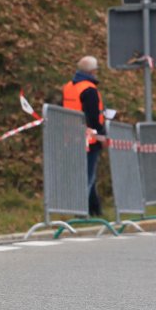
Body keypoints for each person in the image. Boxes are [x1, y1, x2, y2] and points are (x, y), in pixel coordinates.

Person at [61, 56, 108, 217]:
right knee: (87, 175)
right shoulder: (89, 90)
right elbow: (93, 117)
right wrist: (101, 135)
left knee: (87, 174)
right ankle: (81, 211)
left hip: (71, 136)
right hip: (89, 139)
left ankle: (95, 209)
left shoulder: (69, 87)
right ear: (92, 71)